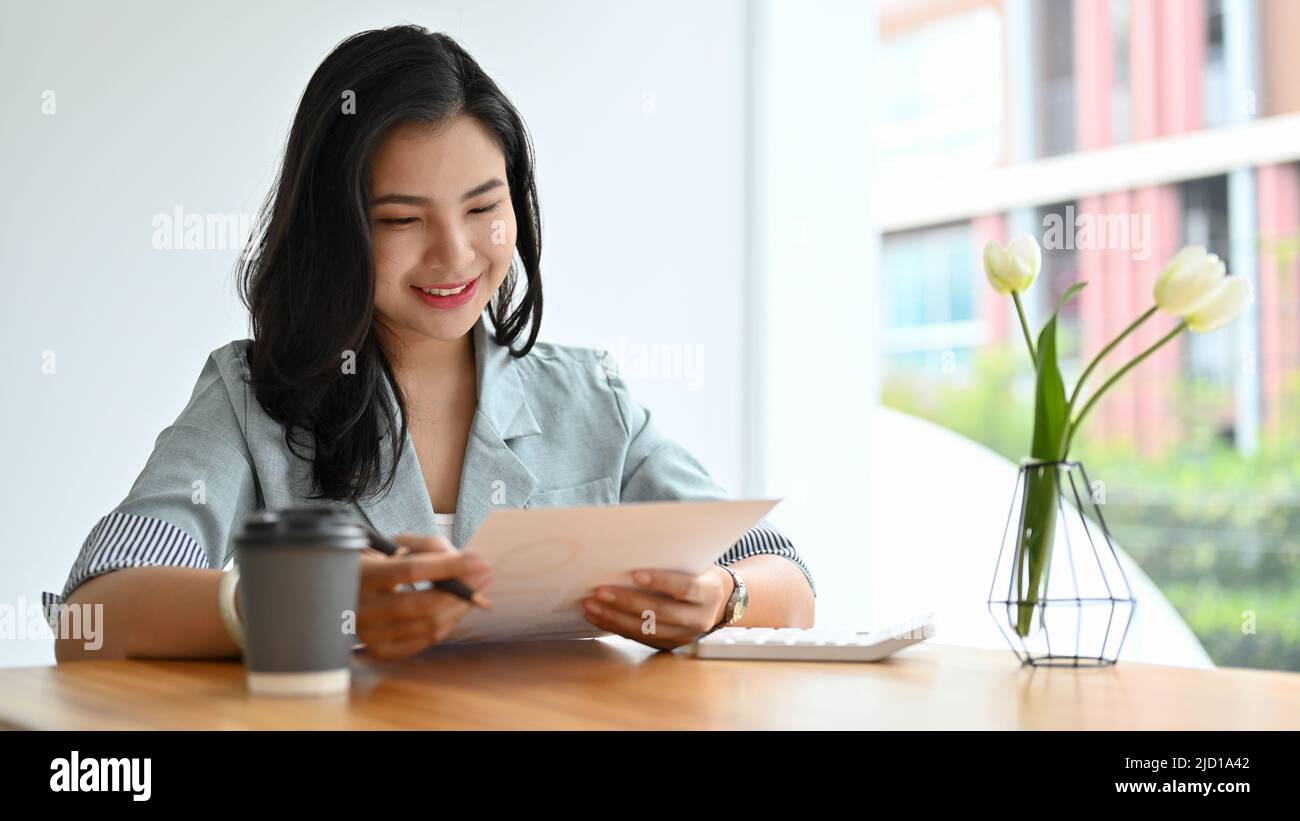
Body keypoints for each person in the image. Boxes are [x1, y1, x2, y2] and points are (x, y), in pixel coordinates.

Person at [48, 25, 815, 663]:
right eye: (400, 220)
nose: (454, 254)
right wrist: (301, 601)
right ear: (334, 230)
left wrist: (723, 599)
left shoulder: (591, 397)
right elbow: (94, 612)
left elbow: (788, 578)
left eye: (484, 206)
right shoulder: (254, 398)